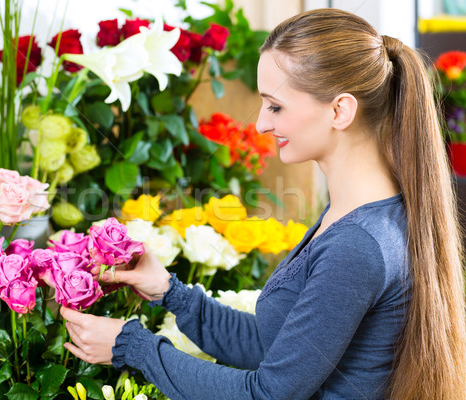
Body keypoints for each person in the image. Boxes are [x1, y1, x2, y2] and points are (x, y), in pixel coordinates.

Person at [60, 8, 466, 400]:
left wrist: (134, 347)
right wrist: (169, 291)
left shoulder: (357, 244)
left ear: (340, 110)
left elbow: (269, 393)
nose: (261, 124)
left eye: (276, 106)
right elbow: (274, 345)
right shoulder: (359, 214)